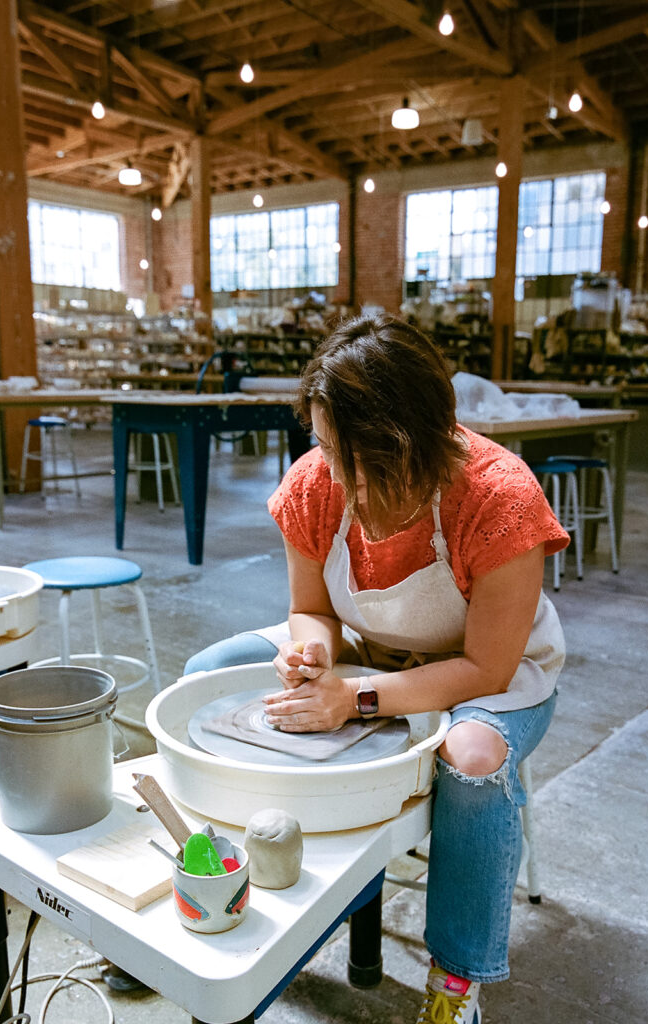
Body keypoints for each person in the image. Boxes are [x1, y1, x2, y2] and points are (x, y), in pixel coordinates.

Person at [185, 313, 569, 1024]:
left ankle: (454, 982)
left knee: (473, 755)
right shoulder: (317, 482)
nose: (337, 472)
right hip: (366, 646)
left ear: (417, 441)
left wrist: (353, 699)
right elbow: (311, 610)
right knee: (209, 672)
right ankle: (235, 889)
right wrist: (312, 653)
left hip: (491, 669)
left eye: (359, 454)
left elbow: (486, 666)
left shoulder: (498, 497)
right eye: (327, 446)